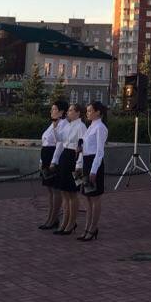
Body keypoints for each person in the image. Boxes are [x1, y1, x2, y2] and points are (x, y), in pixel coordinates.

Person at [49, 103, 86, 235]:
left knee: (73, 192)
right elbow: (59, 139)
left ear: (77, 113)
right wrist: (55, 126)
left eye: (71, 111)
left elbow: (82, 147)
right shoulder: (67, 125)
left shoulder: (81, 126)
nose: (68, 113)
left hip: (74, 159)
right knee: (64, 191)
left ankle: (72, 222)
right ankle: (64, 221)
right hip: (65, 156)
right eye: (68, 110)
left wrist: (79, 165)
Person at [77, 101, 108, 242]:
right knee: (87, 197)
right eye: (87, 111)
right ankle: (87, 227)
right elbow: (87, 147)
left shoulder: (100, 128)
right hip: (87, 162)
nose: (87, 113)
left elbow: (100, 152)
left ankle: (93, 228)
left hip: (94, 164)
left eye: (90, 111)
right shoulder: (90, 127)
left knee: (94, 198)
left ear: (98, 112)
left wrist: (94, 171)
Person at [38, 99, 68, 230]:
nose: (52, 111)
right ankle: (51, 217)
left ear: (61, 112)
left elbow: (59, 144)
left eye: (54, 109)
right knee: (50, 190)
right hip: (46, 157)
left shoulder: (63, 124)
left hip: (53, 158)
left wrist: (53, 161)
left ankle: (54, 217)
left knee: (56, 190)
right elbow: (45, 142)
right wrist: (41, 161)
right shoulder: (53, 124)